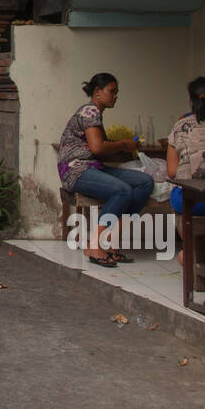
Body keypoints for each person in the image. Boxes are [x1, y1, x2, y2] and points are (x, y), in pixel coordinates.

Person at [57, 72, 154, 267]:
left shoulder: (96, 115)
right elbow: (97, 147)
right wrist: (122, 144)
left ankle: (110, 240)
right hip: (76, 170)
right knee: (122, 190)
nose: (115, 96)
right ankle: (95, 244)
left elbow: (99, 150)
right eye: (112, 91)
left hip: (94, 168)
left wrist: (125, 149)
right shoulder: (89, 112)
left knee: (144, 182)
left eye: (117, 92)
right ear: (97, 92)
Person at [165, 77, 205, 265]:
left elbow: (172, 171)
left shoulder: (180, 126)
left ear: (192, 101)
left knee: (178, 196)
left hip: (192, 201)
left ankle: (191, 251)